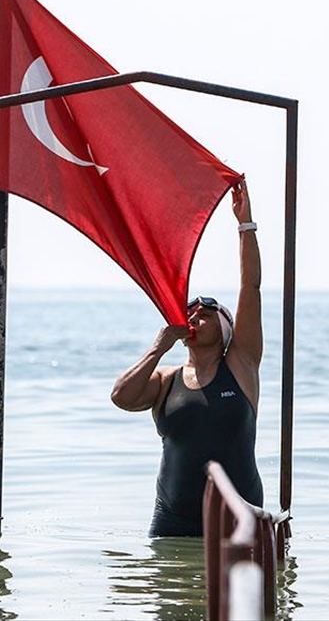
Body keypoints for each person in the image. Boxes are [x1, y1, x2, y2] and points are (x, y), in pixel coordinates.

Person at [110, 178, 264, 537]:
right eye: (189, 312)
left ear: (227, 330)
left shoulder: (241, 366)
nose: (195, 316)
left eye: (206, 313)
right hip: (171, 523)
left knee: (236, 595)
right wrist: (159, 347)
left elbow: (251, 288)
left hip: (237, 520)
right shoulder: (166, 380)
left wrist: (245, 226)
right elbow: (121, 397)